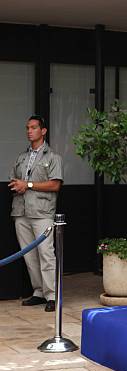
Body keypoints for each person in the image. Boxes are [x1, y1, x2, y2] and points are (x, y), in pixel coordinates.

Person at [8, 115, 63, 312]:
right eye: (27, 128)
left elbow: (55, 184)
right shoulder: (22, 157)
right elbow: (14, 178)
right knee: (29, 255)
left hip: (41, 212)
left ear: (43, 131)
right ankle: (39, 292)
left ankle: (52, 295)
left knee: (46, 254)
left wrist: (28, 185)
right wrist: (17, 184)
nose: (29, 131)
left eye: (33, 127)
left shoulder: (53, 157)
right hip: (21, 210)